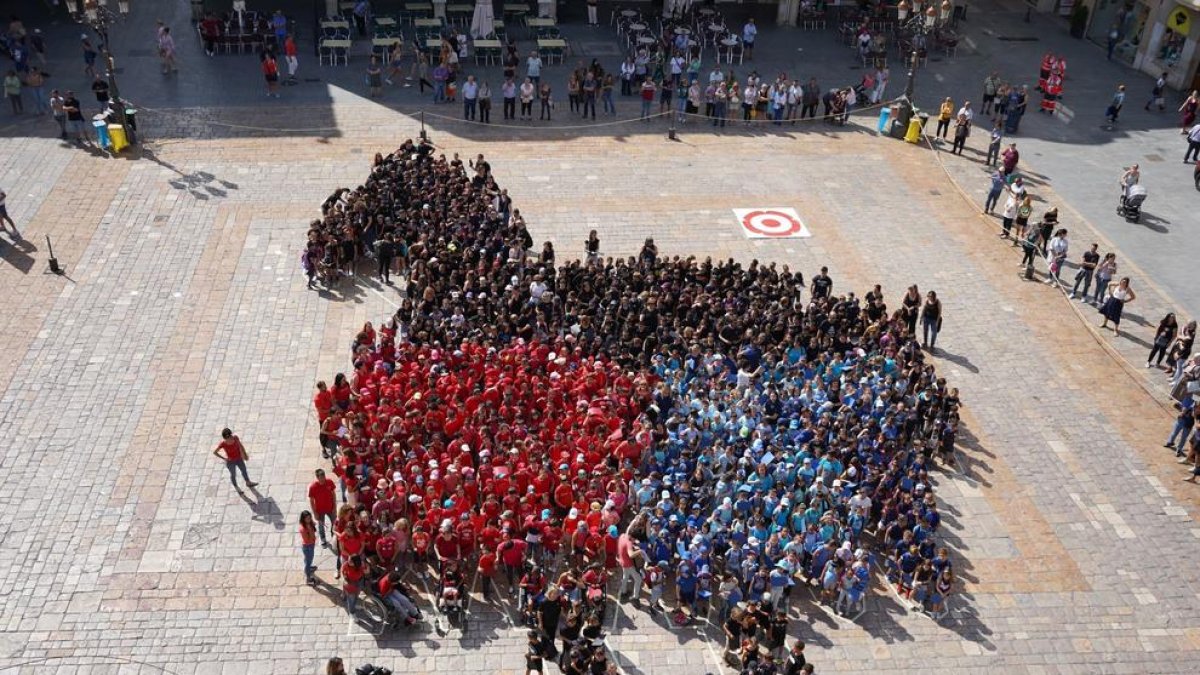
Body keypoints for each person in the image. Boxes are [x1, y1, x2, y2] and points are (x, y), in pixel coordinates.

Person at [212, 427, 258, 492]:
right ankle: (236, 487)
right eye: (227, 437)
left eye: (229, 436)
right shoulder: (223, 444)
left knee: (244, 470)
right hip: (231, 462)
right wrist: (225, 459)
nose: (229, 438)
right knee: (233, 474)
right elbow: (215, 452)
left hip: (239, 459)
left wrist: (244, 454)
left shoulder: (235, 438)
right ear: (224, 438)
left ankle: (248, 482)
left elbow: (240, 446)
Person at [299, 511, 318, 583]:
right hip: (308, 546)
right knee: (308, 561)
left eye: (310, 518)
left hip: (311, 545)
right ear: (303, 519)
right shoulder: (303, 529)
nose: (309, 520)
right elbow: (307, 540)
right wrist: (310, 531)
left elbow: (313, 524)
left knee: (308, 559)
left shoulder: (309, 523)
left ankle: (308, 568)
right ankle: (308, 577)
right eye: (307, 518)